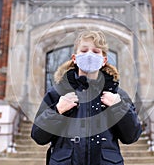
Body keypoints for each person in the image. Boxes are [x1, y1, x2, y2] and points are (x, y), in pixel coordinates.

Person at [31, 30, 142, 165]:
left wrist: (118, 107)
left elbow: (131, 136)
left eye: (96, 52)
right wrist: (57, 110)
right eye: (84, 51)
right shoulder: (58, 93)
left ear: (104, 60)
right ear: (74, 58)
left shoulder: (117, 95)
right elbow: (38, 136)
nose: (89, 55)